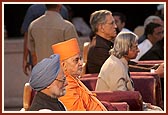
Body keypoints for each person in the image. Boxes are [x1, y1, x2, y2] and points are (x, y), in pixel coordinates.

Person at [95, 32, 163, 111]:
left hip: (124, 105)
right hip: (114, 108)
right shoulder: (115, 65)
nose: (138, 50)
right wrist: (141, 104)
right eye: (135, 47)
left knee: (157, 109)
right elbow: (121, 95)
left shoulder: (121, 62)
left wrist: (143, 104)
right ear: (126, 48)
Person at [52, 38, 107, 111]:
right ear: (64, 65)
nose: (81, 63)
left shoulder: (74, 79)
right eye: (76, 60)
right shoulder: (65, 88)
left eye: (80, 59)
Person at [21, 4, 70, 76]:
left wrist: (25, 59)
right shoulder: (63, 10)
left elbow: (28, 35)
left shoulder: (33, 9)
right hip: (59, 64)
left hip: (38, 63)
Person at [27, 4, 79, 72]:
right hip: (61, 75)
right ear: (59, 5)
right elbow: (75, 55)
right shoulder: (67, 27)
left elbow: (33, 55)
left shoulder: (33, 25)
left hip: (41, 73)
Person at [86, 10, 117, 74]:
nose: (115, 26)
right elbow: (118, 68)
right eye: (112, 23)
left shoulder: (104, 44)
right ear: (101, 27)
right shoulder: (98, 48)